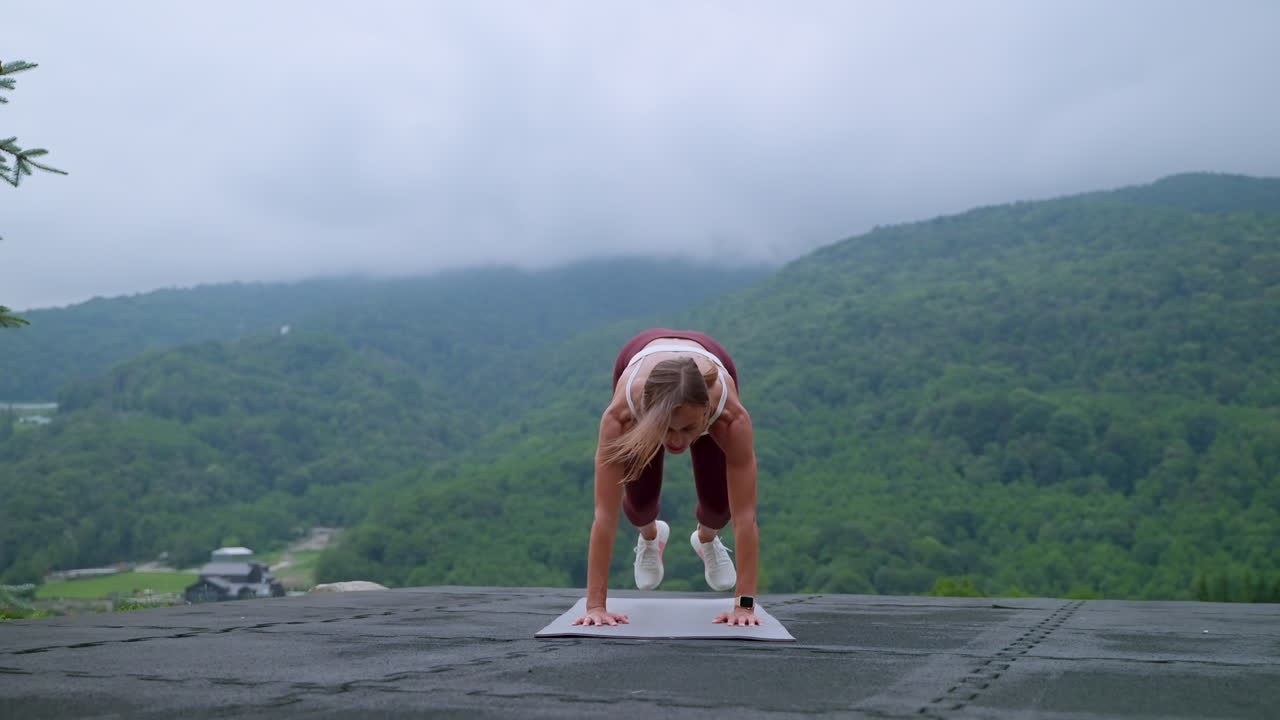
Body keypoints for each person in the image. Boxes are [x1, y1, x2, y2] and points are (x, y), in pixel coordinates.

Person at [572, 328, 762, 627]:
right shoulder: (622, 415)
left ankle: (706, 539)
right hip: (639, 357)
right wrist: (596, 606)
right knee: (639, 505)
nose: (676, 441)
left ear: (707, 413)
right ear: (647, 413)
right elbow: (604, 516)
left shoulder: (730, 417)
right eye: (666, 429)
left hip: (709, 359)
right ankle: (651, 537)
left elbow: (746, 516)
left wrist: (745, 606)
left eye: (688, 429)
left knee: (719, 509)